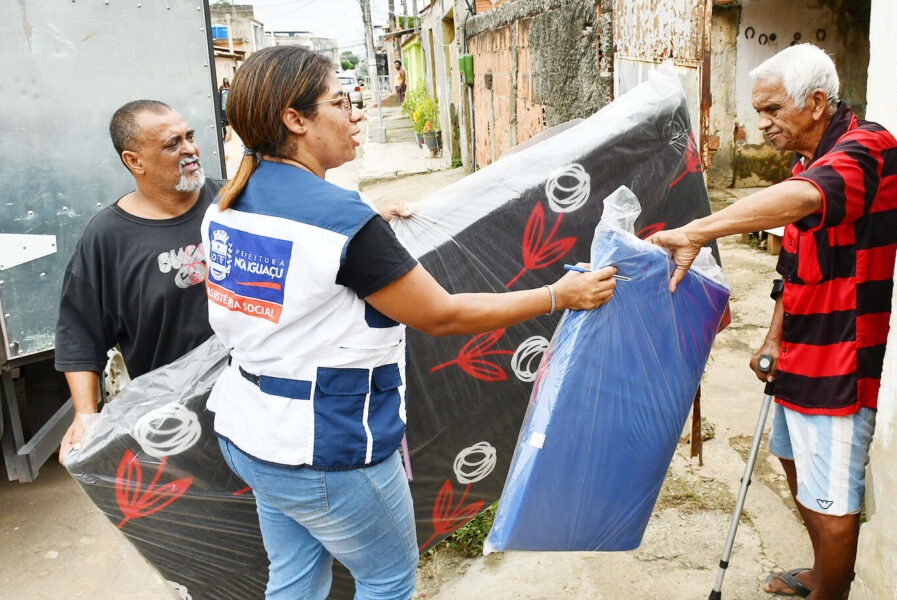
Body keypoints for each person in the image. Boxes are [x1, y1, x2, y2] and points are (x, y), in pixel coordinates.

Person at [203, 45, 616, 600]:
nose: (358, 114)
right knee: (387, 580)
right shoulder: (342, 222)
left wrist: (371, 220)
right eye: (341, 102)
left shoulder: (229, 202)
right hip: (327, 450)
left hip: (248, 429)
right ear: (295, 120)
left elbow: (301, 279)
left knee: (295, 577)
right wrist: (555, 294)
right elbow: (442, 315)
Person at [650, 44, 897, 600]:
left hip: (844, 354)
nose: (760, 124)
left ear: (816, 102)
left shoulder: (868, 147)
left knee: (833, 498)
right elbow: (790, 270)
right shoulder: (805, 163)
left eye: (771, 111)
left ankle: (831, 593)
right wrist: (772, 338)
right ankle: (822, 572)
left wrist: (698, 231)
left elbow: (805, 198)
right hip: (801, 349)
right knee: (792, 463)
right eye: (757, 111)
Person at [56, 100, 225, 464]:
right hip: (178, 420)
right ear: (135, 161)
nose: (190, 149)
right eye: (172, 143)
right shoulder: (109, 237)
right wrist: (86, 415)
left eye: (190, 136)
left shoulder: (232, 203)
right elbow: (79, 333)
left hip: (256, 398)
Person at [219, 77, 232, 142]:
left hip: (228, 105)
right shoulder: (222, 87)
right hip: (224, 106)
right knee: (224, 121)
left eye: (226, 79)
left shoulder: (230, 87)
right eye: (225, 80)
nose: (226, 80)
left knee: (228, 121)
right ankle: (225, 135)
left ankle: (228, 134)